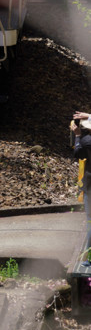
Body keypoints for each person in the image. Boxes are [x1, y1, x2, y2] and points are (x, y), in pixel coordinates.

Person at [71, 112, 91, 266]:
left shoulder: (85, 141)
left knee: (90, 220)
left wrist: (77, 136)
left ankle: (87, 258)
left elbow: (78, 153)